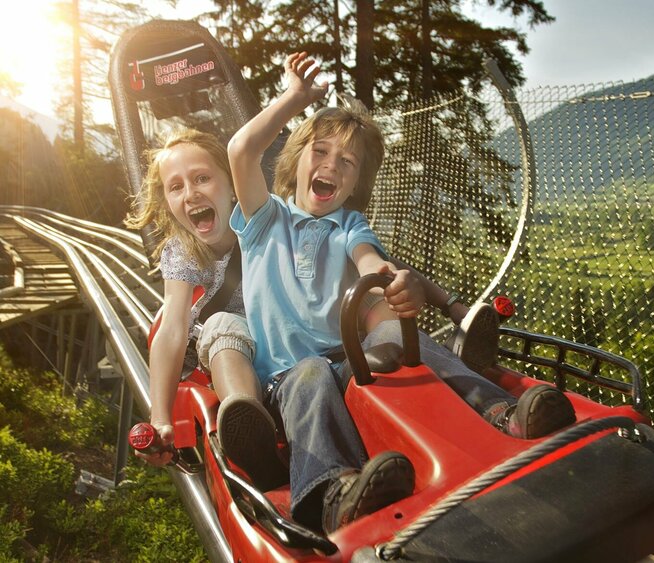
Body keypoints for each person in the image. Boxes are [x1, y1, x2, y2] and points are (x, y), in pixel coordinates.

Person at [228, 52, 575, 534]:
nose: (332, 164)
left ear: (354, 184)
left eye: (346, 161)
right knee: (310, 372)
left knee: (394, 331)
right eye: (321, 151)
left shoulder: (349, 223)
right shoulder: (266, 219)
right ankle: (330, 492)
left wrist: (395, 282)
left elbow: (370, 260)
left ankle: (499, 411)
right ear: (296, 158)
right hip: (287, 379)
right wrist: (295, 98)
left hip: (344, 356)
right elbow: (242, 151)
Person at [125, 130, 287, 490]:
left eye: (202, 178)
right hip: (226, 343)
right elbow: (173, 326)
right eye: (176, 187)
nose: (191, 193)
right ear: (168, 202)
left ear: (232, 184)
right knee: (220, 324)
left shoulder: (262, 220)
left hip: (279, 333)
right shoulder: (183, 250)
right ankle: (247, 427)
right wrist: (160, 417)